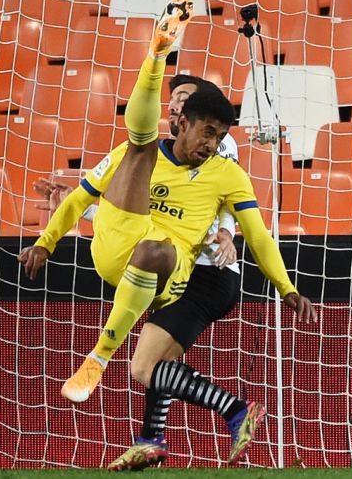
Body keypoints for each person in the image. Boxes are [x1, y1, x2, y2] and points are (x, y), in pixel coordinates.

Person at [18, 0, 317, 467]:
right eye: (207, 131)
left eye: (219, 135)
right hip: (121, 251)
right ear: (178, 117)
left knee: (145, 358)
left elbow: (254, 234)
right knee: (136, 155)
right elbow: (83, 199)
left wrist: (285, 286)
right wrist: (46, 239)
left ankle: (212, 407)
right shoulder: (137, 155)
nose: (212, 143)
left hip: (187, 272)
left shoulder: (225, 165)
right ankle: (159, 436)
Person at [31, 73, 248, 470]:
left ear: (198, 110)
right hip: (174, 266)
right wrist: (84, 208)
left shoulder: (216, 140)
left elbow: (222, 199)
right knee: (158, 362)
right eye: (171, 98)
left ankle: (234, 411)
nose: (174, 104)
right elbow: (146, 211)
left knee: (144, 366)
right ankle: (151, 440)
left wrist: (226, 232)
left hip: (206, 271)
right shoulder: (156, 151)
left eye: (183, 97)